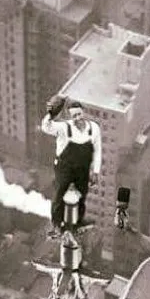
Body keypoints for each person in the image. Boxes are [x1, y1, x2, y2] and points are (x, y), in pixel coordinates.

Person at [41, 99, 101, 231]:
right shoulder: (64, 127)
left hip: (82, 168)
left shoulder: (94, 129)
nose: (78, 118)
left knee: (82, 194)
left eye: (79, 114)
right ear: (70, 117)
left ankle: (78, 221)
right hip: (64, 167)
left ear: (83, 112)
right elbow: (45, 127)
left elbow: (97, 151)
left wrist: (95, 172)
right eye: (74, 116)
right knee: (59, 194)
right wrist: (51, 115)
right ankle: (57, 224)